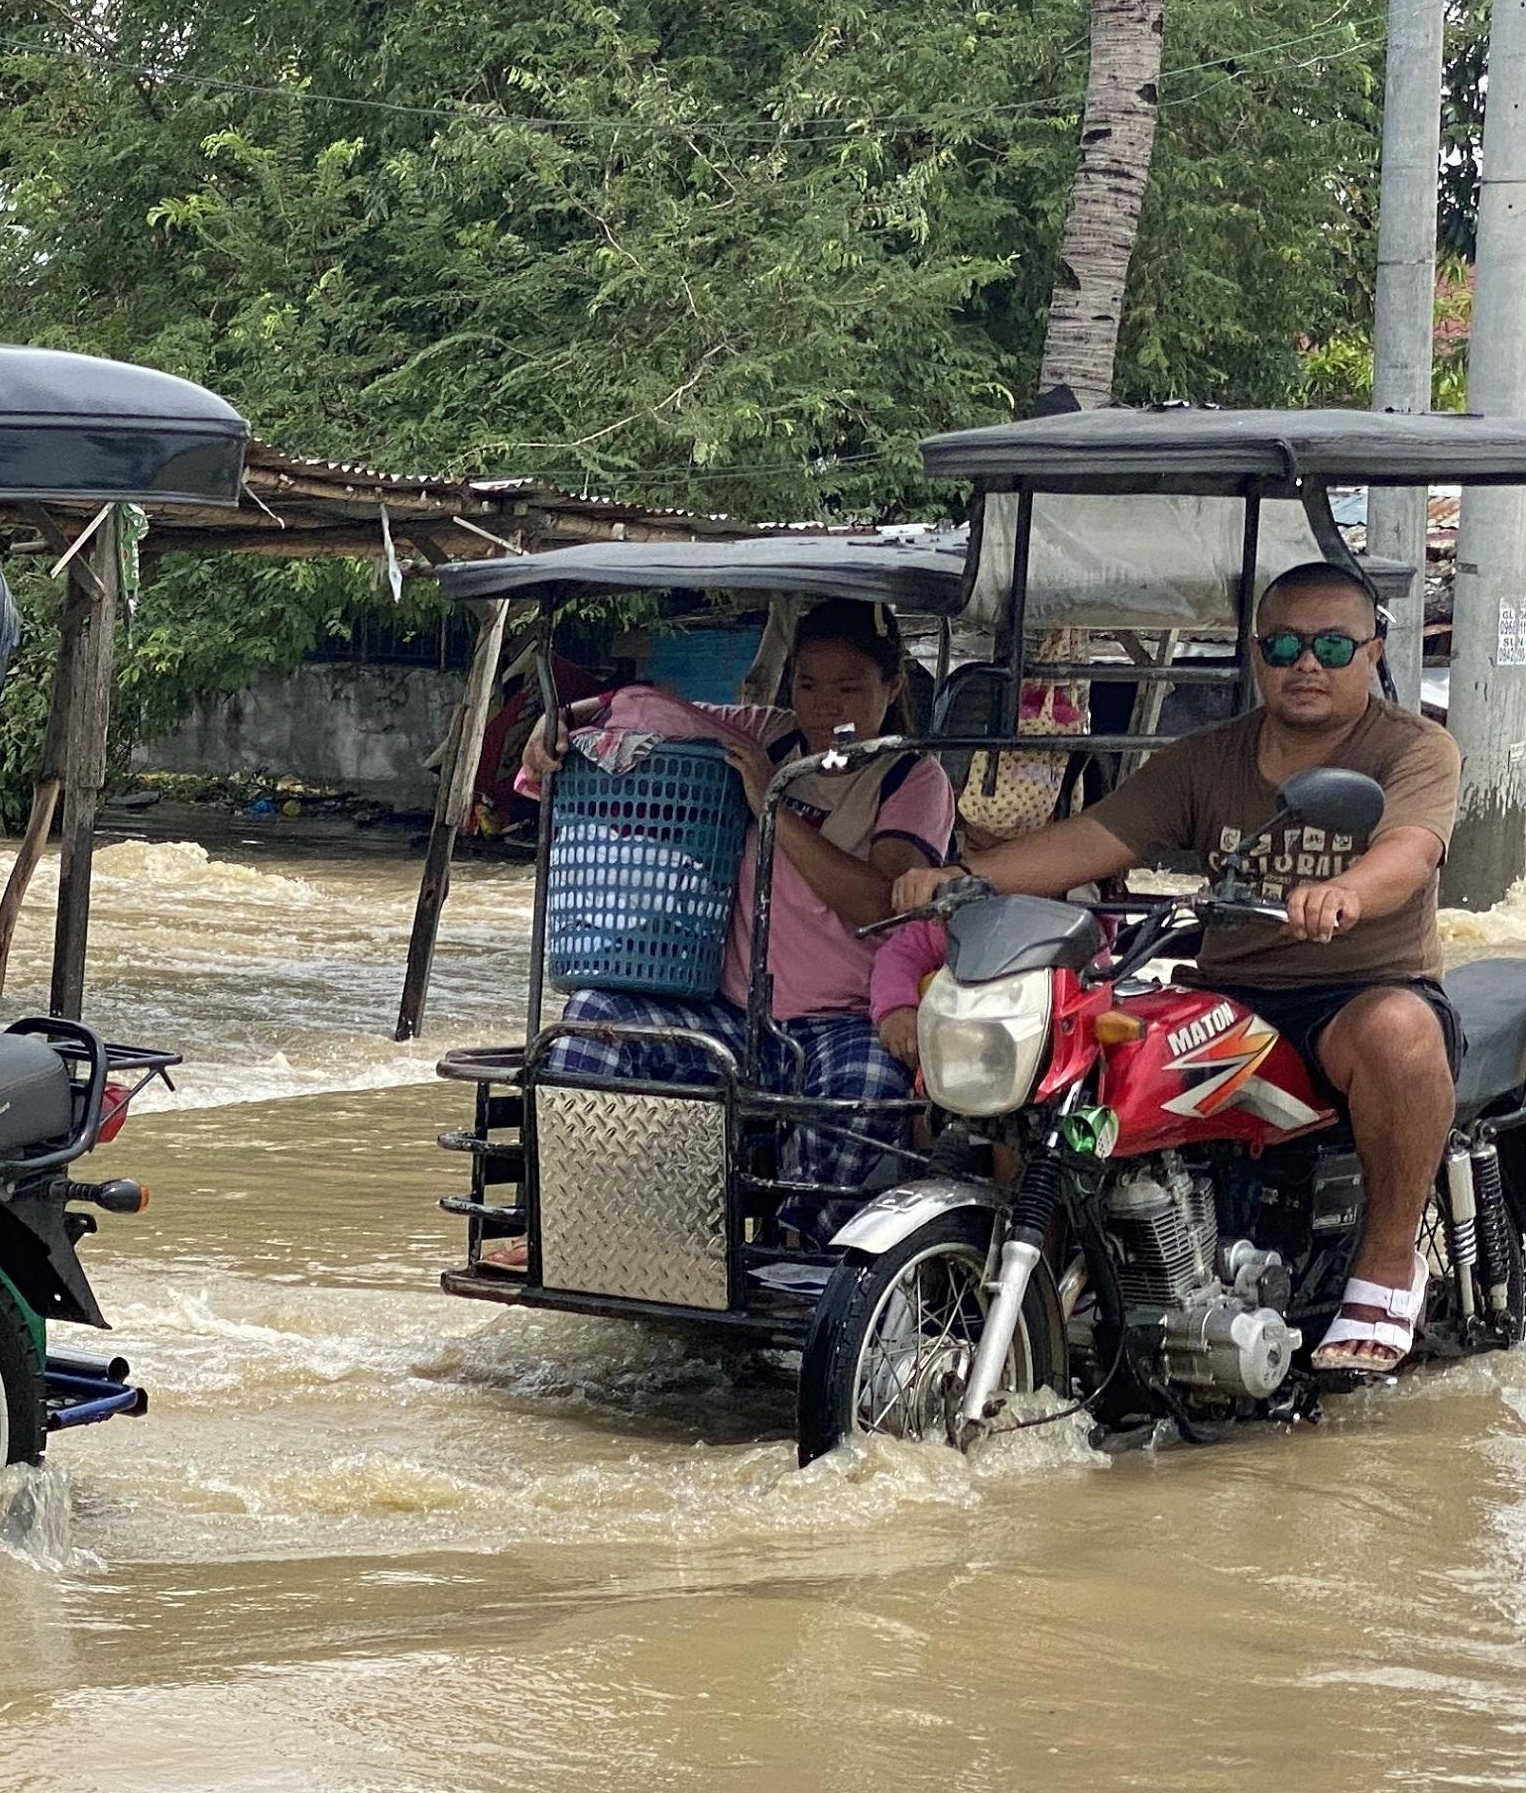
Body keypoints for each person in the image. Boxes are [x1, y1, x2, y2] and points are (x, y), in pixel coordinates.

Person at [888, 558, 1461, 1375]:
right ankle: (1056, 1278)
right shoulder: (1207, 758)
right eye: (1287, 644)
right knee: (1069, 1053)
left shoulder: (1415, 749)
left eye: (1334, 646)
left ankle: (1386, 1268)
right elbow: (1097, 837)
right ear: (1256, 652)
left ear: (1373, 652)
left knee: (1400, 1032)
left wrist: (1345, 892)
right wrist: (968, 879)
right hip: (1233, 991)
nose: (1308, 663)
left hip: (1358, 986)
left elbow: (1409, 850)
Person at [519, 603, 952, 1233]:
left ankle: (801, 1254)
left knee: (867, 1087)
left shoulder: (912, 776)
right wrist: (563, 719)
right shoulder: (765, 735)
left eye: (849, 688)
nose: (827, 706)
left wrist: (770, 801)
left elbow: (881, 901)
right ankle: (579, 1230)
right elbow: (653, 709)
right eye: (809, 685)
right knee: (592, 1021)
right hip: (730, 1014)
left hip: (843, 1022)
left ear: (890, 688)